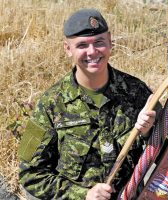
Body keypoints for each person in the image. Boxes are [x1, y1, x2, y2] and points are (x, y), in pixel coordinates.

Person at [18, 8, 157, 200]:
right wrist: (83, 195)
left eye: (99, 42)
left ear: (110, 41)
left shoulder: (138, 92)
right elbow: (30, 174)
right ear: (68, 49)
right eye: (82, 45)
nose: (92, 52)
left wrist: (149, 132)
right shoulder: (50, 104)